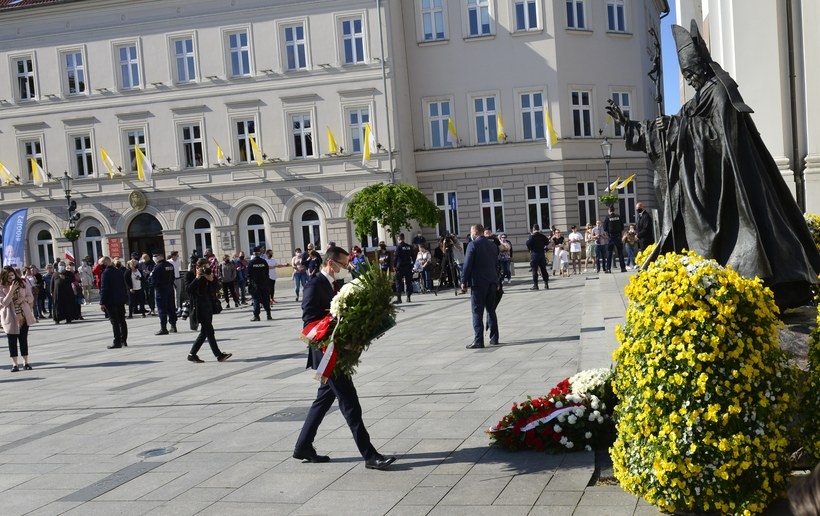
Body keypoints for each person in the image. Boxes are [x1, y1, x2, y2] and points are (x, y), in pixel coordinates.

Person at [606, 20, 820, 308]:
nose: (690, 80)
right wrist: (631, 125)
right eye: (686, 75)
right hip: (715, 180)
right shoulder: (701, 95)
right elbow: (675, 123)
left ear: (703, 67)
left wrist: (676, 127)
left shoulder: (720, 91)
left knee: (752, 232)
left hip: (733, 181)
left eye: (692, 74)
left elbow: (718, 135)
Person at [293, 245, 396, 470]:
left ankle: (303, 446)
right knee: (350, 404)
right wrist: (335, 335)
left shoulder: (335, 285)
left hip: (336, 351)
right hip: (327, 354)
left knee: (322, 402)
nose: (345, 268)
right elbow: (309, 324)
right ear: (331, 263)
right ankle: (369, 455)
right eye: (342, 264)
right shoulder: (313, 286)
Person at [460, 224, 499, 349]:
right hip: (492, 281)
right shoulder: (493, 245)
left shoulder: (473, 245)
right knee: (491, 310)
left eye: (471, 232)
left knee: (477, 312)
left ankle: (479, 340)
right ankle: (494, 338)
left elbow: (467, 265)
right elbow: (496, 264)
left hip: (478, 283)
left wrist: (463, 281)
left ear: (475, 233)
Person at [187, 258, 232, 363]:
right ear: (197, 267)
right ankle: (218, 355)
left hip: (208, 306)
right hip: (198, 307)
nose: (206, 269)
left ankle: (192, 354)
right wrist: (197, 278)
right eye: (204, 267)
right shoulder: (190, 275)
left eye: (207, 266)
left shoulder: (208, 274)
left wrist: (211, 280)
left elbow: (217, 288)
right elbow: (188, 290)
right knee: (209, 331)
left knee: (204, 332)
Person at [1, 266, 36, 371]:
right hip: (10, 317)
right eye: (8, 276)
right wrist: (11, 290)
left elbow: (31, 297)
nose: (11, 277)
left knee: (23, 340)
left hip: (23, 315)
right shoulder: (1, 287)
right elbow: (4, 303)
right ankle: (15, 364)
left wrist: (23, 299)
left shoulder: (22, 283)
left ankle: (26, 362)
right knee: (12, 341)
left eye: (12, 275)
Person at [99, 256, 128, 349]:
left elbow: (104, 289)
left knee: (114, 321)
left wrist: (102, 302)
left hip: (110, 301)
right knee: (122, 320)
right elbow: (124, 285)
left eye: (101, 263)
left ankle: (117, 341)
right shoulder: (118, 271)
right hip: (120, 299)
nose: (100, 265)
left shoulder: (106, 273)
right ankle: (124, 340)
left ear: (107, 261)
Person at [150, 251, 178, 335]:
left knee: (162, 309)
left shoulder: (158, 266)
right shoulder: (170, 265)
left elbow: (153, 280)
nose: (154, 258)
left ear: (159, 256)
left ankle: (163, 328)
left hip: (161, 290)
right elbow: (173, 277)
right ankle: (173, 326)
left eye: (155, 256)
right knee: (171, 308)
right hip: (170, 288)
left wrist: (151, 285)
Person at [248, 246, 272, 321]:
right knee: (266, 299)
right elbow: (267, 272)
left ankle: (256, 316)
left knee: (256, 300)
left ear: (254, 253)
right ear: (259, 253)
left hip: (255, 284)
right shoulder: (264, 261)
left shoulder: (251, 262)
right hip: (264, 283)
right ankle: (268, 314)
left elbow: (248, 274)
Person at [603, 206, 627, 273]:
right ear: (614, 210)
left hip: (611, 237)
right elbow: (622, 227)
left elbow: (604, 228)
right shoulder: (618, 217)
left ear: (609, 210)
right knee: (620, 253)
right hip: (618, 237)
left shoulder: (608, 217)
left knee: (609, 253)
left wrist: (608, 231)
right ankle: (623, 268)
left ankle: (608, 269)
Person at [525, 225, 550, 290]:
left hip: (535, 254)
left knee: (534, 270)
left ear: (533, 229)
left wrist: (530, 248)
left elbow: (528, 243)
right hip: (542, 254)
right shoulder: (542, 236)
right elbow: (547, 242)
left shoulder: (532, 236)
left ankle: (536, 285)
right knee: (543, 269)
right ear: (539, 229)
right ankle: (546, 284)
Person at [393, 233, 414, 304]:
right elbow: (413, 257)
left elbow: (395, 257)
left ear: (399, 239)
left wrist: (394, 266)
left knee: (398, 283)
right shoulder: (409, 247)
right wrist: (412, 265)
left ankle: (399, 299)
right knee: (409, 282)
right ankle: (408, 297)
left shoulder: (398, 247)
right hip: (408, 267)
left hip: (400, 268)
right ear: (404, 238)